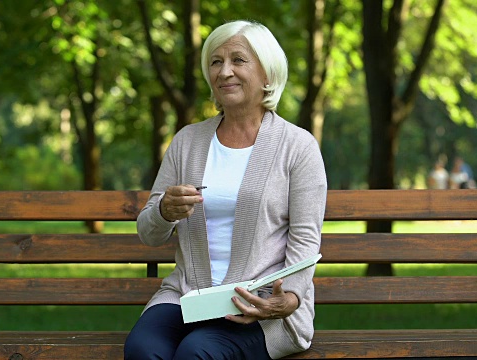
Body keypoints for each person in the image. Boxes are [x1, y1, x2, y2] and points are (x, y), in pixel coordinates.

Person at [124, 20, 327, 359]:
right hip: (188, 297)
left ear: (267, 74)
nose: (224, 71)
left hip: (257, 304)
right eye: (216, 62)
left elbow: (305, 241)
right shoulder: (187, 141)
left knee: (198, 352)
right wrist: (163, 212)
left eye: (238, 60)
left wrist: (288, 299)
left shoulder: (298, 146)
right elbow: (148, 232)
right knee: (143, 350)